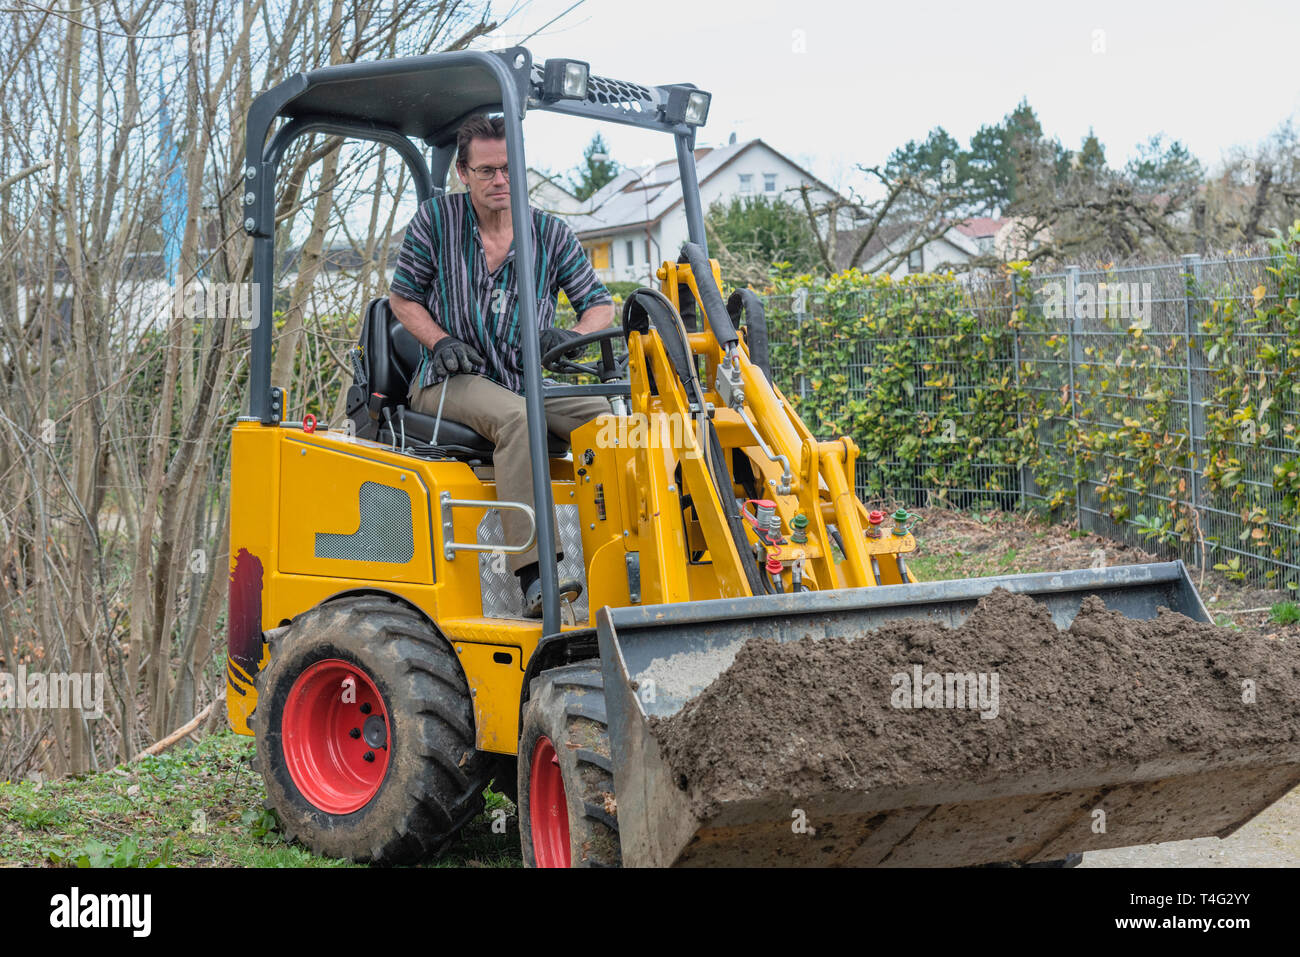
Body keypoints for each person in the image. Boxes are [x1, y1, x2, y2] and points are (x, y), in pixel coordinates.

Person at [389, 114, 614, 618]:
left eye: (510, 169)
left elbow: (599, 304)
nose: (500, 181)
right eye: (487, 171)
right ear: (463, 174)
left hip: (525, 377)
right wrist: (439, 339)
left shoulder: (550, 233)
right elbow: (402, 299)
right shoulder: (435, 222)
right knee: (519, 419)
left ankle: (623, 560)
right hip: (450, 379)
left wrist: (572, 336)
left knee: (609, 421)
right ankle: (538, 578)